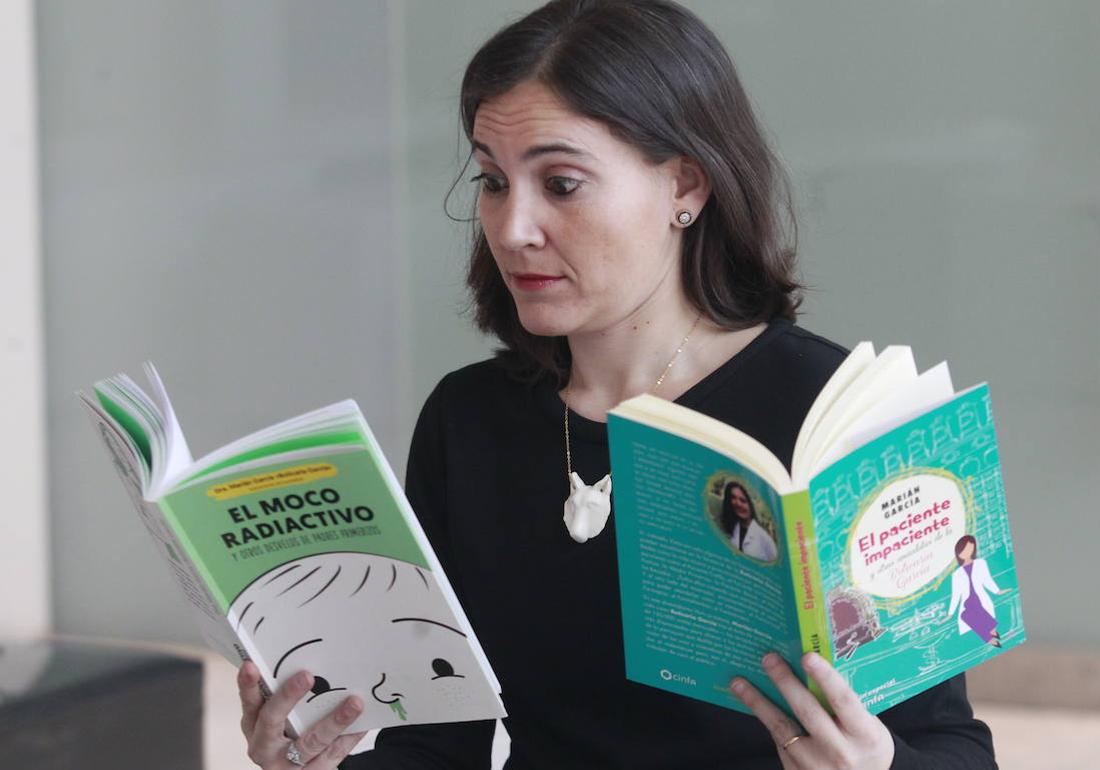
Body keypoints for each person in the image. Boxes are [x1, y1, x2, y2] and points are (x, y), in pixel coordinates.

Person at [236, 1, 998, 768]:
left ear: (685, 188)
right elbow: (440, 747)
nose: (510, 228)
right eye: (494, 181)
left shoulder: (839, 413)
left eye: (561, 184)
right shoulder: (468, 420)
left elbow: (954, 749)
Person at [948, 535, 1004, 648]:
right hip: (967, 603)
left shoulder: (981, 563)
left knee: (979, 614)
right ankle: (990, 639)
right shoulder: (956, 574)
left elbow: (987, 580)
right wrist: (950, 614)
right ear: (958, 552)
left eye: (970, 548)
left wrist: (997, 591)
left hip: (981, 598)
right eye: (964, 550)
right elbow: (956, 595)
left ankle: (992, 636)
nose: (967, 552)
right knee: (966, 615)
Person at [719, 480, 778, 562]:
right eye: (733, 498)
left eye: (743, 500)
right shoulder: (726, 527)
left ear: (750, 505)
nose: (738, 504)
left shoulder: (765, 539)